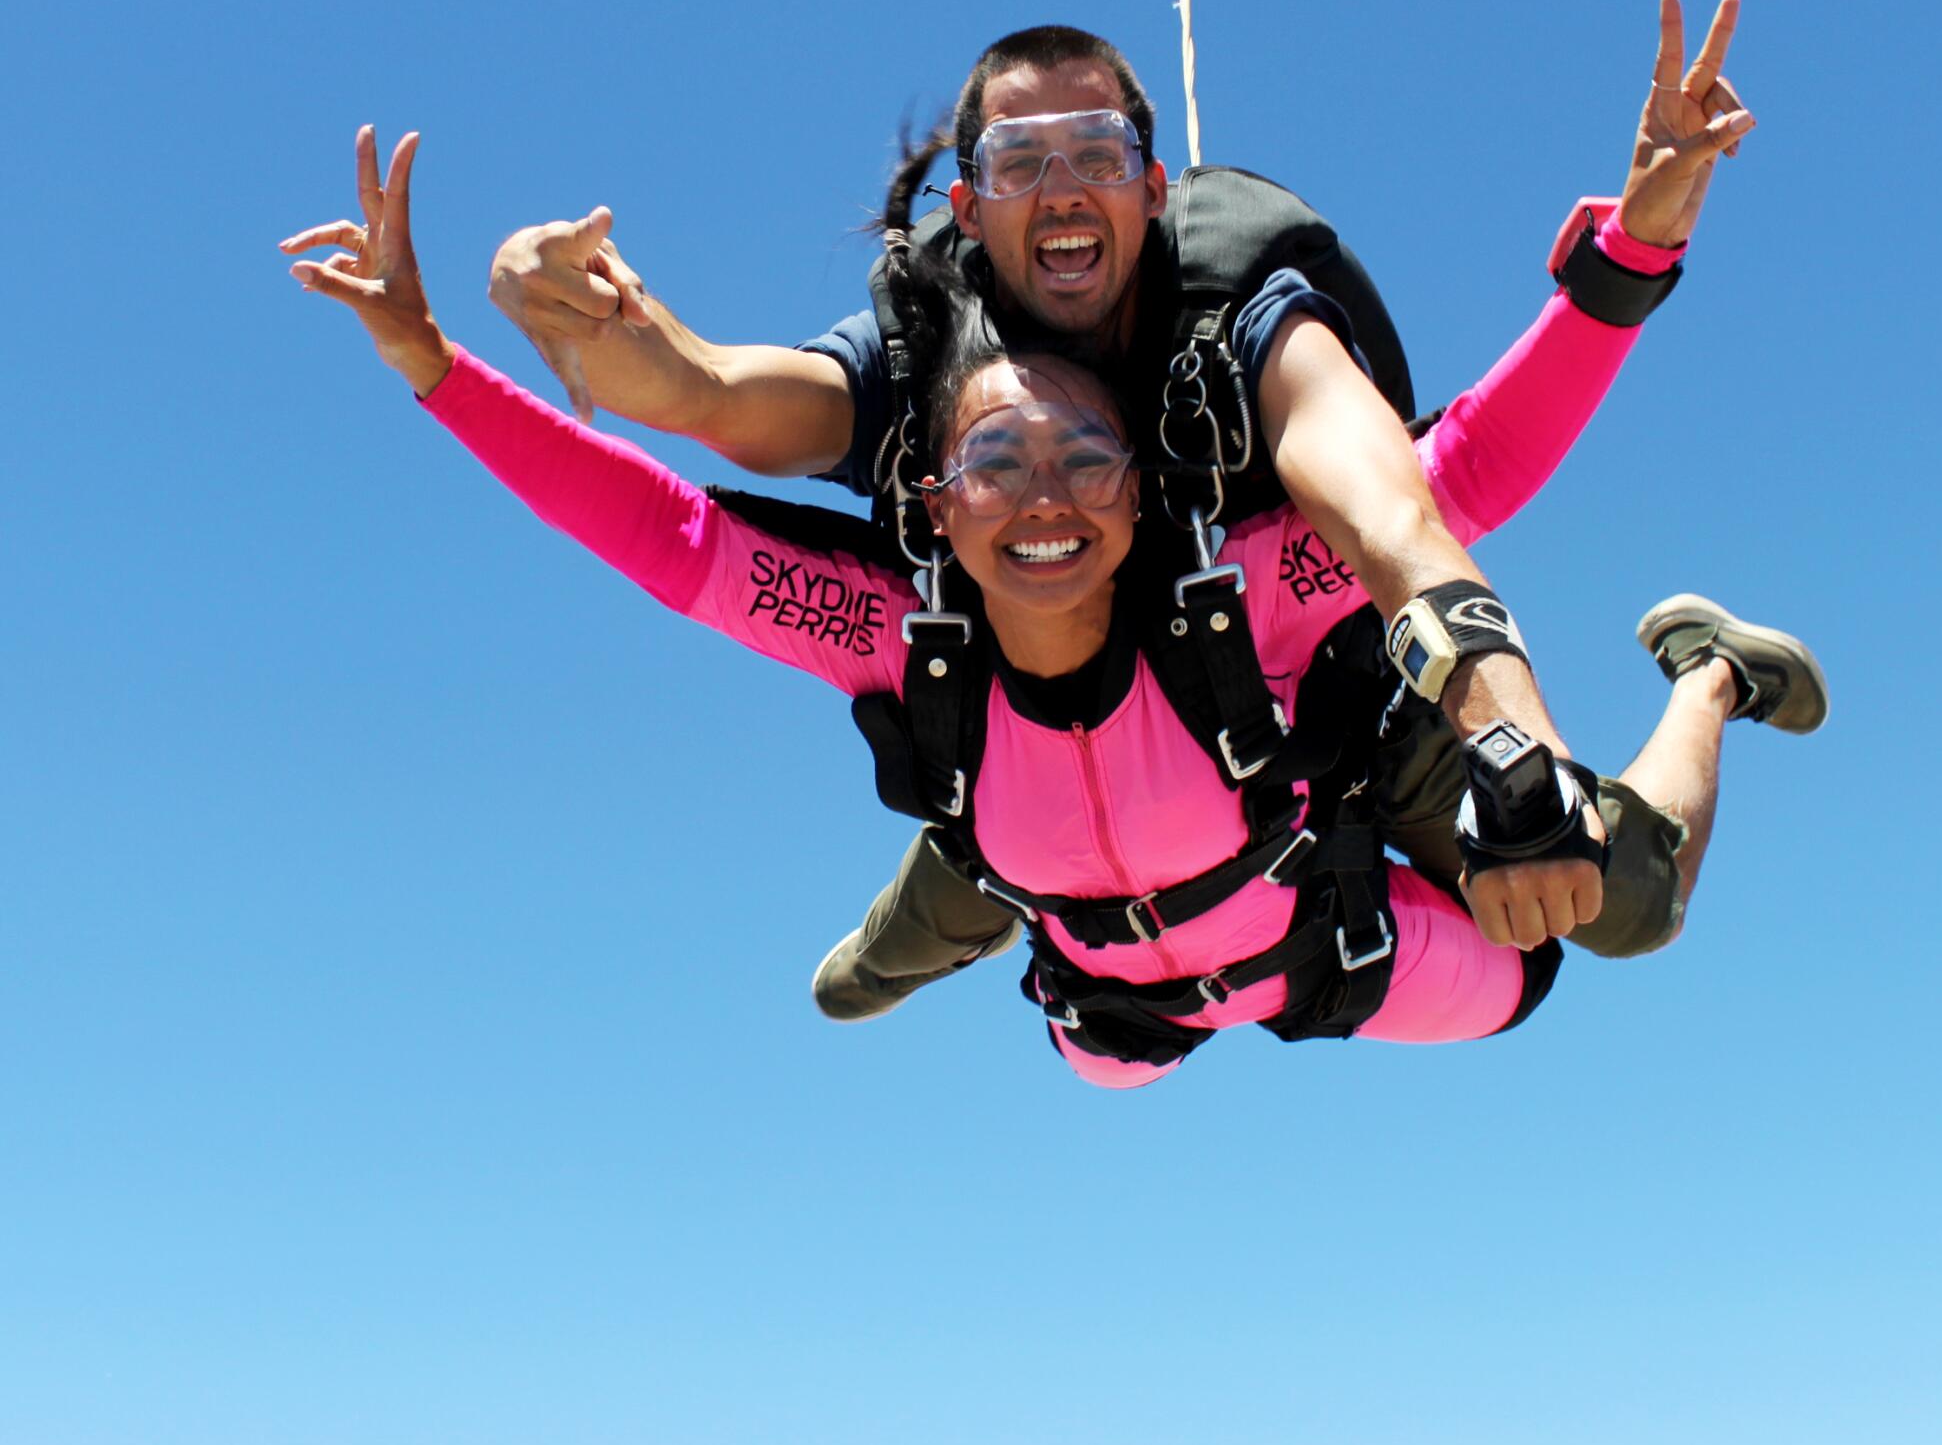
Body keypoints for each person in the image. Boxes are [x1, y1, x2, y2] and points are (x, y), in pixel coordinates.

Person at [278, 128, 1822, 1086]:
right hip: (1107, 982)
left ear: (1145, 495)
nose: (1045, 493)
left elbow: (1467, 466)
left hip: (1306, 951)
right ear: (935, 502)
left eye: (1089, 457)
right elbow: (660, 524)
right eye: (994, 461)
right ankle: (947, 912)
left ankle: (1707, 681)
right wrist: (432, 366)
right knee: (989, 967)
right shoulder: (894, 625)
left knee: (1617, 924)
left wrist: (1633, 249)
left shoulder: (1234, 601)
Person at [479, 0, 1760, 1014]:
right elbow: (717, 399)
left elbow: (1405, 517)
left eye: (1099, 151)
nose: (1063, 186)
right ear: (968, 205)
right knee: (961, 879)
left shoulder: (1243, 325)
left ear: (1152, 186)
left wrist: (1512, 752)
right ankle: (977, 881)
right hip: (1034, 715)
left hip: (1316, 688)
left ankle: (1708, 675)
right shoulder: (928, 351)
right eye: (1019, 159)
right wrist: (606, 338)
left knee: (1627, 905)